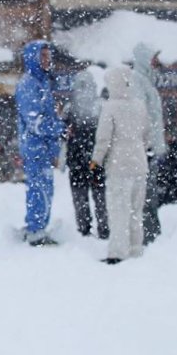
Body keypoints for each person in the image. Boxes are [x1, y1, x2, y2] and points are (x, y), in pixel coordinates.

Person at [92, 66, 159, 264]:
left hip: (118, 166)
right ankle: (136, 248)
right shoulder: (139, 105)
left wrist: (96, 161)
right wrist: (138, 149)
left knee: (118, 210)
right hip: (139, 165)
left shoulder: (110, 107)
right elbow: (147, 135)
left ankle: (117, 252)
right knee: (135, 211)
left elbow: (103, 139)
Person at [13, 40, 65, 245]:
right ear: (32, 58)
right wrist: (58, 128)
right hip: (35, 147)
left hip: (41, 147)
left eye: (48, 56)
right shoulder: (29, 84)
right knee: (39, 189)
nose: (47, 60)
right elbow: (35, 121)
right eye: (42, 56)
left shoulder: (42, 81)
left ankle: (38, 227)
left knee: (45, 188)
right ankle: (35, 231)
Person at [64, 68, 109, 239]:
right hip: (95, 159)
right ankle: (103, 229)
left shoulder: (71, 108)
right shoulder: (100, 106)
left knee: (81, 197)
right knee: (99, 196)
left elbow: (63, 132)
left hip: (78, 159)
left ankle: (85, 229)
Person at [129, 42, 166, 244]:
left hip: (148, 148)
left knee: (149, 192)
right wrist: (147, 144)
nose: (156, 62)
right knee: (145, 193)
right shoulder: (137, 82)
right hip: (144, 150)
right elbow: (140, 117)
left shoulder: (146, 82)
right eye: (153, 57)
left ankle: (150, 231)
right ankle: (147, 234)